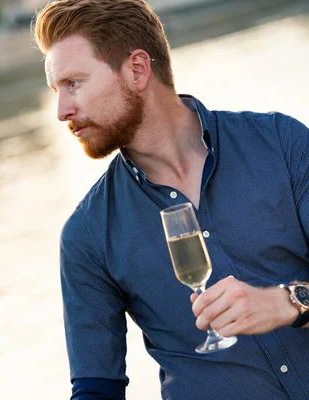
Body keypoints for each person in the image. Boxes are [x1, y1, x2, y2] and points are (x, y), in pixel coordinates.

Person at [32, 0, 309, 399]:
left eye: (73, 83)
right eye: (56, 90)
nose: (62, 110)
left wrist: (289, 304)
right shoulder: (87, 237)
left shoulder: (281, 145)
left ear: (137, 70)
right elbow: (96, 389)